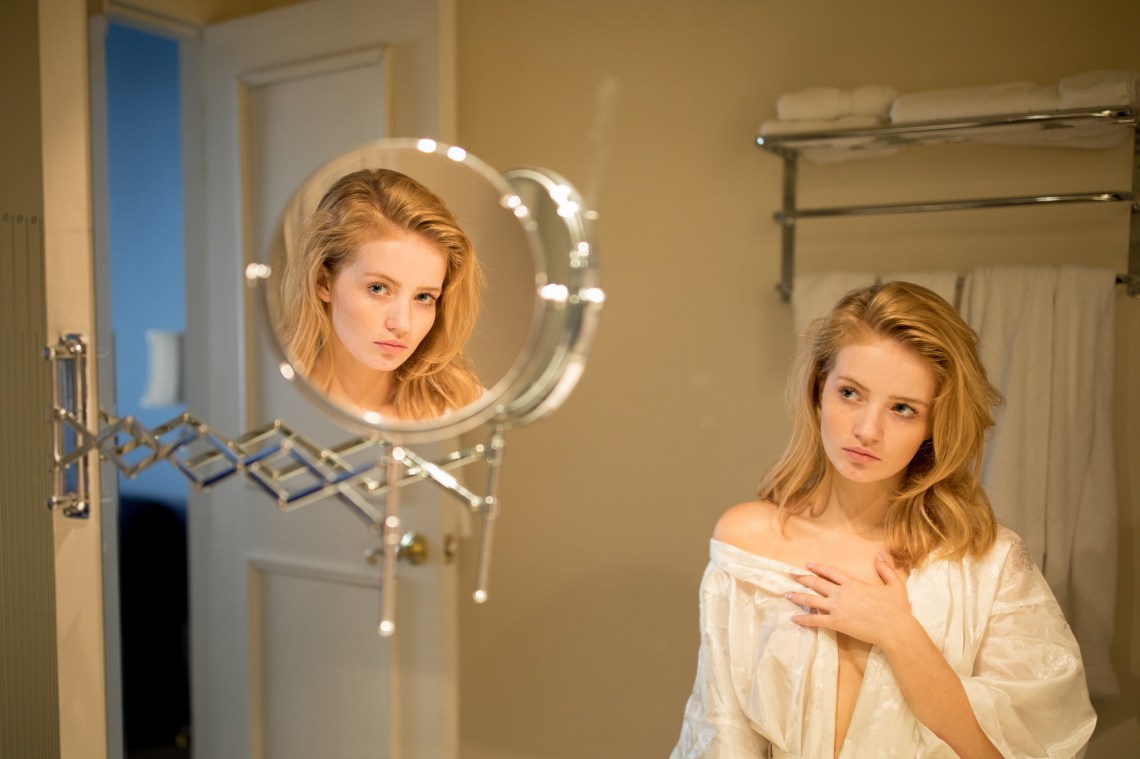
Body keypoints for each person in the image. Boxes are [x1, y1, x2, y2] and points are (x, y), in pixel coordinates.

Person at [670, 281, 1096, 758]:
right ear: (818, 391)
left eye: (902, 409)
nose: (867, 431)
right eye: (850, 393)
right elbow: (721, 732)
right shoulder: (749, 541)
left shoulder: (986, 560)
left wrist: (899, 633)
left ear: (934, 426)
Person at [277, 168, 484, 419]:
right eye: (378, 288)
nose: (402, 324)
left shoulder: (469, 409)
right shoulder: (274, 406)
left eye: (423, 297)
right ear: (324, 283)